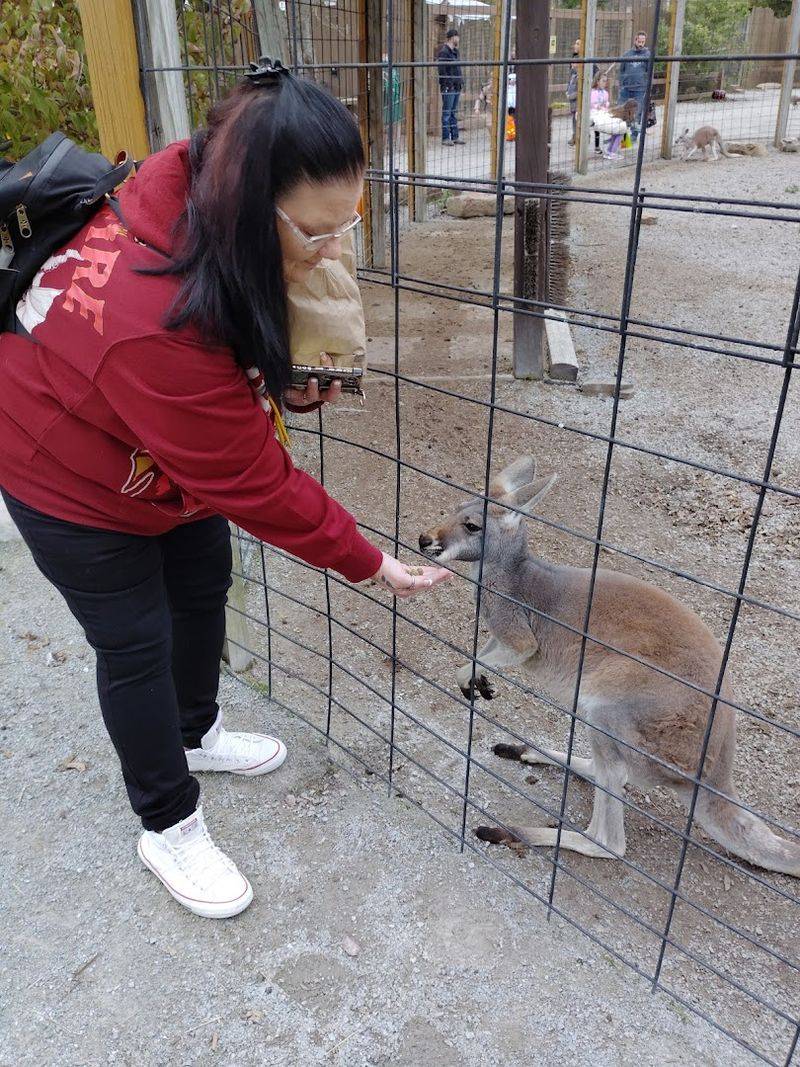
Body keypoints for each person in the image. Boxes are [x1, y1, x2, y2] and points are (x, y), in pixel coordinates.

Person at [0, 65, 450, 920]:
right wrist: (368, 560)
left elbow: (227, 359)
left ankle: (196, 729)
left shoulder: (194, 174)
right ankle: (166, 821)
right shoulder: (148, 317)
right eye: (316, 232)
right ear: (250, 202)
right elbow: (250, 477)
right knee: (132, 639)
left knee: (204, 574)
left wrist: (278, 374)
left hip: (145, 443)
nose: (331, 248)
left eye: (344, 223)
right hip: (59, 467)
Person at [619, 30, 651, 143]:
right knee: (622, 111)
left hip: (640, 89)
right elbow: (621, 70)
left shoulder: (647, 55)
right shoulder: (627, 54)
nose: (641, 44)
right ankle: (622, 137)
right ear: (635, 40)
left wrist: (646, 86)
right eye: (639, 41)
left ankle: (633, 137)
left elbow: (649, 71)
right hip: (626, 88)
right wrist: (622, 83)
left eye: (643, 41)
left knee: (637, 113)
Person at [590, 71, 627, 160]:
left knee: (622, 126)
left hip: (605, 114)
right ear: (597, 81)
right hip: (596, 116)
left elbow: (606, 104)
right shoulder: (592, 92)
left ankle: (610, 150)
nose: (605, 83)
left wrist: (605, 105)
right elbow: (593, 105)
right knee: (620, 128)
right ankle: (611, 152)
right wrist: (601, 106)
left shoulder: (605, 93)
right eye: (603, 81)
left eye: (606, 81)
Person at [437, 28, 464, 146]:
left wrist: (460, 82)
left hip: (456, 86)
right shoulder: (444, 52)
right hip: (449, 87)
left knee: (453, 112)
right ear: (452, 37)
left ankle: (455, 136)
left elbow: (457, 69)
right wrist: (448, 84)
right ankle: (445, 138)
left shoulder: (455, 52)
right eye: (457, 37)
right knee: (447, 113)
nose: (458, 39)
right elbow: (442, 70)